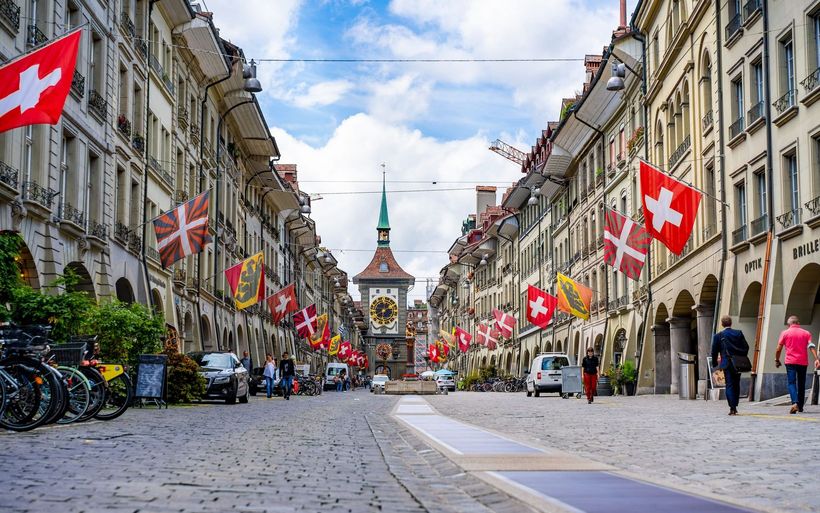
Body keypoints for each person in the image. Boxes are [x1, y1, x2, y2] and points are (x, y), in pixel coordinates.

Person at [775, 315, 820, 414]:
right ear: (798, 323)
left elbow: (778, 349)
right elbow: (811, 346)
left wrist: (777, 359)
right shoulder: (806, 333)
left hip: (790, 362)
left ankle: (795, 403)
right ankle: (800, 407)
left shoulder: (785, 333)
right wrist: (817, 359)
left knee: (791, 383)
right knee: (801, 384)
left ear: (788, 324)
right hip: (803, 362)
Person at [710, 316, 749, 416]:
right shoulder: (738, 333)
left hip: (727, 363)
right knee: (736, 384)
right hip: (738, 363)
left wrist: (714, 363)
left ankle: (732, 407)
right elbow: (746, 347)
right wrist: (741, 356)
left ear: (722, 324)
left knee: (730, 385)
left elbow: (714, 351)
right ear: (731, 323)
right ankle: (735, 404)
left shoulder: (718, 336)